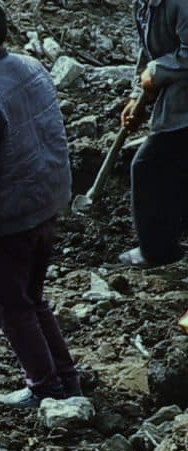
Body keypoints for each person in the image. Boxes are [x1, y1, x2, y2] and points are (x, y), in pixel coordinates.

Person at [0, 0, 81, 408]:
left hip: (11, 222)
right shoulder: (29, 66)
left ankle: (45, 386)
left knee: (11, 304)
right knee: (31, 298)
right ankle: (67, 378)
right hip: (47, 206)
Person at [121, 0, 188, 266]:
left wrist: (158, 71)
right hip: (175, 99)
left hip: (182, 104)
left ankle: (157, 251)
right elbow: (145, 53)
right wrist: (136, 96)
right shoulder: (144, 3)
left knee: (147, 167)